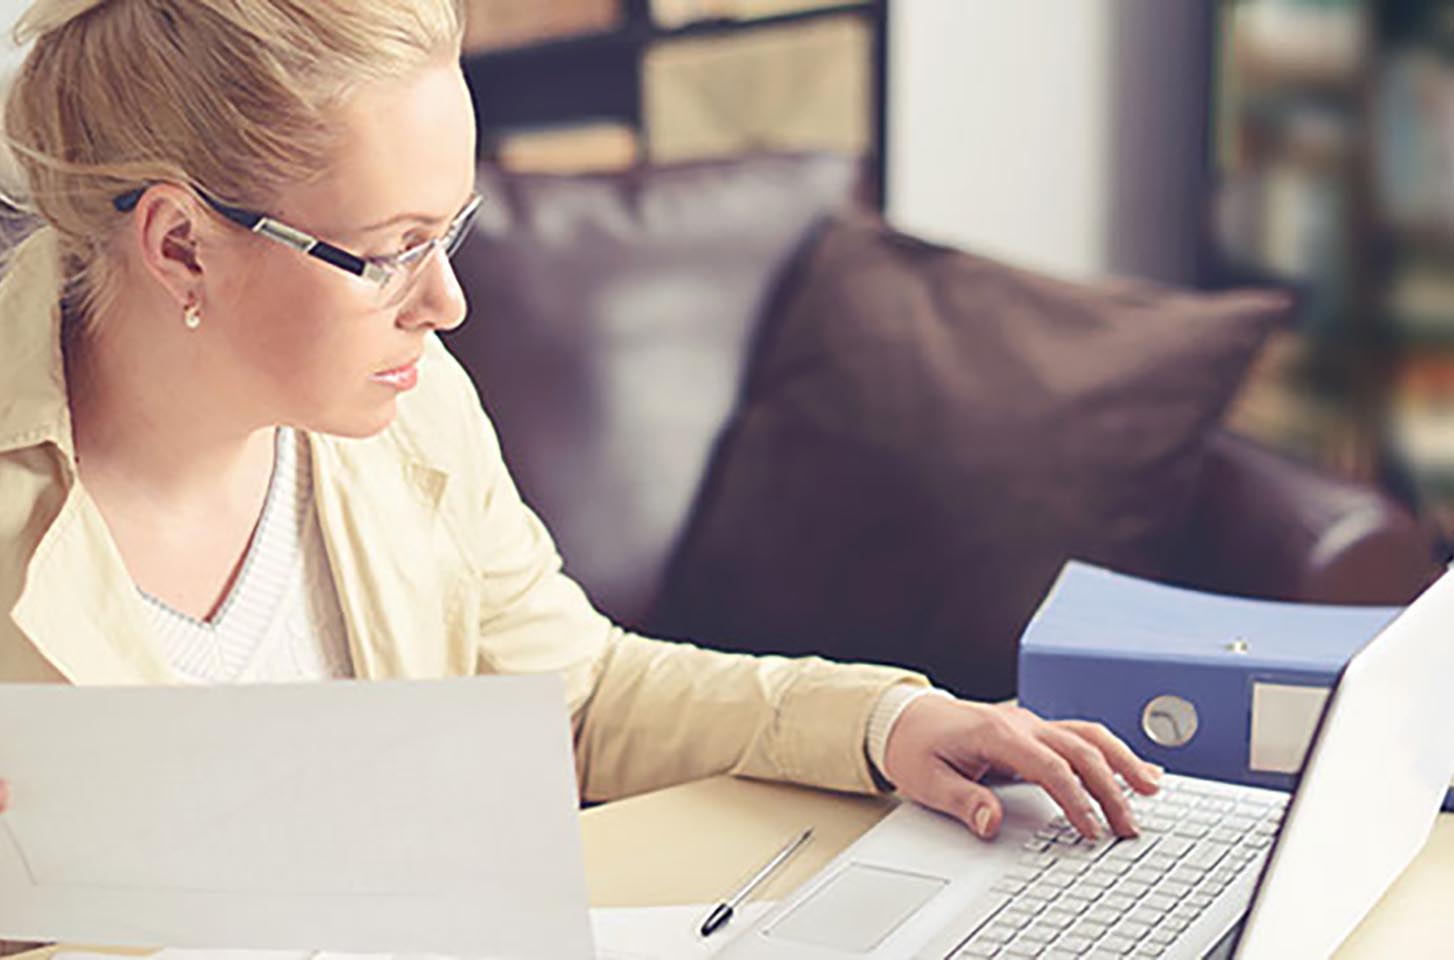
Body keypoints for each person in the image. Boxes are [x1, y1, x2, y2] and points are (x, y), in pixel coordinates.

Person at [0, 0, 1159, 876]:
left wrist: (887, 722)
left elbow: (580, 696)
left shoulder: (408, 410)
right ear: (181, 247)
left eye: (450, 228)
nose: (444, 302)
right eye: (391, 248)